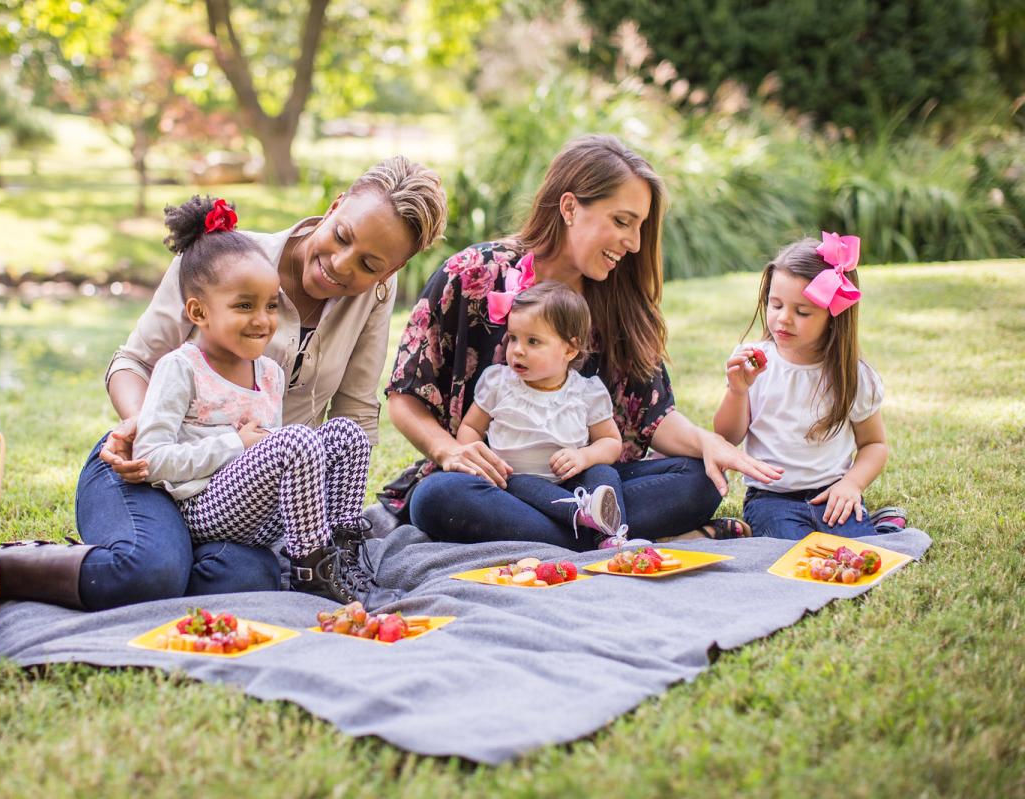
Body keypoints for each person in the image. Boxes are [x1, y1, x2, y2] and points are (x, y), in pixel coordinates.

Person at [0, 157, 448, 609]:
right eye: (342, 236)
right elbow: (132, 361)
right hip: (150, 467)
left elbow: (355, 411)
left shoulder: (372, 298)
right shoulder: (221, 259)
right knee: (150, 572)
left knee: (249, 579)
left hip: (239, 497)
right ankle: (12, 563)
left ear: (390, 272)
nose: (340, 264)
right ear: (334, 207)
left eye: (369, 264)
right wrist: (139, 423)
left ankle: (170, 554)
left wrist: (325, 520)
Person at [383, 134, 783, 550]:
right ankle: (608, 537)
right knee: (435, 498)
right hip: (496, 482)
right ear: (570, 207)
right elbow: (405, 394)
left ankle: (581, 535)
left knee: (701, 480)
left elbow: (654, 416)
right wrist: (448, 451)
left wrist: (708, 443)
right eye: (622, 221)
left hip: (588, 478)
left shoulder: (619, 299)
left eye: (640, 227)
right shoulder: (472, 274)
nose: (635, 244)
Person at [131, 197, 375, 604]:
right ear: (199, 312)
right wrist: (236, 443)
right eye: (244, 306)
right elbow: (152, 459)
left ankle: (340, 553)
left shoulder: (270, 373)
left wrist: (267, 452)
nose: (262, 320)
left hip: (260, 515)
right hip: (202, 507)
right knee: (295, 440)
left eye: (271, 305)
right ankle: (310, 572)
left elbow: (272, 455)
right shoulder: (182, 367)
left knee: (347, 434)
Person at [712, 233, 908, 539]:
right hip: (771, 498)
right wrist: (737, 391)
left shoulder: (852, 374)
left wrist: (852, 484)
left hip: (833, 494)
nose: (783, 319)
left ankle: (878, 528)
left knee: (854, 554)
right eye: (775, 305)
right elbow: (726, 437)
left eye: (802, 312)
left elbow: (874, 445)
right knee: (790, 555)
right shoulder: (754, 362)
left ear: (833, 316)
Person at [455, 280, 626, 546]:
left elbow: (611, 442)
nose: (517, 350)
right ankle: (579, 520)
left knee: (605, 475)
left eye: (533, 341)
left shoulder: (585, 392)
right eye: (513, 338)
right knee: (449, 491)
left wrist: (583, 456)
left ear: (570, 349)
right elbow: (471, 428)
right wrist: (477, 456)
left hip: (572, 484)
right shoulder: (498, 384)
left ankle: (608, 536)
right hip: (511, 489)